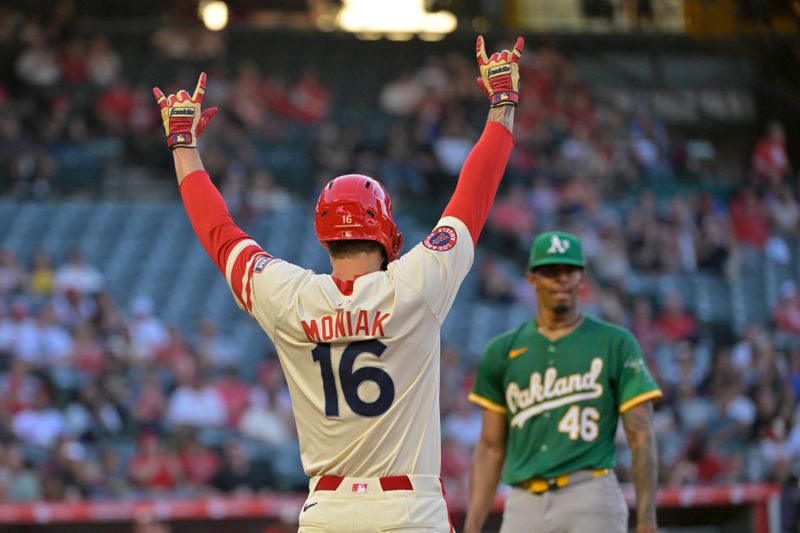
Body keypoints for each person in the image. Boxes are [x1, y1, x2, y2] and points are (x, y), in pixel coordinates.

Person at [153, 35, 523, 532]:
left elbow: (220, 232)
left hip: (328, 510)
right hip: (407, 507)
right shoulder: (415, 283)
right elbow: (473, 195)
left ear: (323, 236)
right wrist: (502, 103)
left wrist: (182, 143)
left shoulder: (289, 294)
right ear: (387, 231)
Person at [464, 231, 662, 533]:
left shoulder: (615, 342)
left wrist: (647, 519)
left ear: (582, 278)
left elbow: (641, 435)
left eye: (569, 270)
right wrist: (473, 525)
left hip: (590, 493)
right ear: (532, 278)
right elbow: (490, 447)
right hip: (523, 502)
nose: (561, 279)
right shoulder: (502, 351)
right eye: (550, 271)